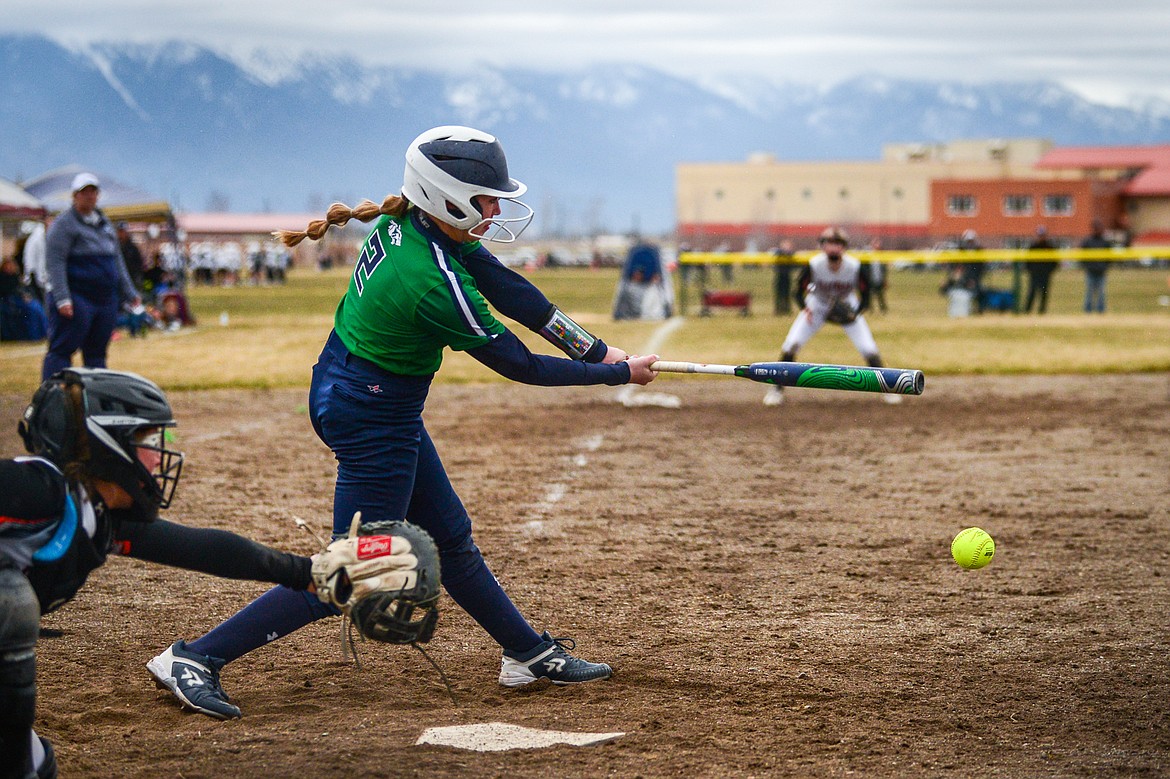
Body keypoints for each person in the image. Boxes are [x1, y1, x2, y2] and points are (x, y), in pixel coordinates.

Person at [146, 125, 661, 719]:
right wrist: (615, 376)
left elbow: (510, 289)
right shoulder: (430, 282)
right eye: (486, 198)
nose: (497, 209)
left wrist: (595, 351)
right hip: (370, 411)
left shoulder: (415, 222)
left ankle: (525, 652)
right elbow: (519, 365)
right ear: (446, 198)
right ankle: (196, 657)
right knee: (358, 566)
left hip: (358, 389)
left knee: (450, 537)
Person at [0, 368, 359, 775]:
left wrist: (310, 573)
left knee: (34, 763)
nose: (159, 453)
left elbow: (204, 550)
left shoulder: (93, 515)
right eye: (149, 440)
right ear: (107, 444)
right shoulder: (34, 490)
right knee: (9, 602)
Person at [764, 226, 900, 407]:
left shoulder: (854, 266)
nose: (833, 248)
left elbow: (866, 296)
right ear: (822, 246)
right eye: (829, 243)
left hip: (846, 305)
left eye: (837, 244)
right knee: (792, 344)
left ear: (844, 247)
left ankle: (887, 389)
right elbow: (797, 291)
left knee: (868, 348)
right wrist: (806, 308)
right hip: (818, 306)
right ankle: (776, 389)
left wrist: (856, 313)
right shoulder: (814, 264)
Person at [41, 173, 141, 381]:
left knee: (97, 353)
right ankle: (53, 396)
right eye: (83, 192)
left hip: (104, 298)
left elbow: (117, 261)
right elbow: (55, 262)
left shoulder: (104, 223)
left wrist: (130, 292)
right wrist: (62, 297)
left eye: (92, 192)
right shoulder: (64, 225)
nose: (89, 196)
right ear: (74, 196)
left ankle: (94, 398)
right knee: (62, 349)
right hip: (77, 297)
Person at [1023, 225, 1058, 314]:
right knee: (1032, 292)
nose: (1041, 237)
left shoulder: (1050, 247)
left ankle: (1042, 311)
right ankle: (1027, 311)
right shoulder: (1033, 247)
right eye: (1040, 235)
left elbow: (1055, 262)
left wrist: (1049, 271)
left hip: (1045, 274)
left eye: (1042, 235)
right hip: (1034, 274)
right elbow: (1027, 261)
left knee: (1044, 294)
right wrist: (1031, 270)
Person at [1080, 219, 1112, 313]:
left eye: (1099, 228)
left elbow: (1110, 257)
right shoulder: (1088, 242)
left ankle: (1101, 310)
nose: (1098, 230)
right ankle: (1088, 310)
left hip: (1101, 271)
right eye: (1096, 228)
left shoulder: (1105, 242)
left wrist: (1105, 266)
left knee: (1102, 293)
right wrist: (1087, 266)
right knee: (1089, 292)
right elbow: (1082, 255)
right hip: (1091, 271)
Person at [115, 223, 145, 293]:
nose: (121, 234)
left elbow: (139, 264)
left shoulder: (133, 248)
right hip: (119, 279)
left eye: (122, 231)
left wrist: (137, 277)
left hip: (132, 278)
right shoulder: (115, 247)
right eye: (119, 231)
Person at [772, 239, 795, 315]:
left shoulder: (790, 254)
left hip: (787, 276)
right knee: (779, 294)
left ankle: (786, 309)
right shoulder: (778, 253)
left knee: (786, 294)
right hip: (779, 276)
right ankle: (778, 309)